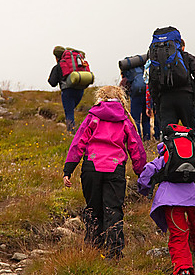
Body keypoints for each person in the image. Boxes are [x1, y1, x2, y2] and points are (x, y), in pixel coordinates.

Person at [62, 85, 147, 259]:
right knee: (113, 209)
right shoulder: (124, 119)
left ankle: (93, 246)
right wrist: (141, 173)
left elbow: (78, 143)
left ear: (100, 97)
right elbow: (136, 147)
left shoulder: (93, 116)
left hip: (91, 167)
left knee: (93, 208)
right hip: (115, 168)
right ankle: (114, 252)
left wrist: (68, 170)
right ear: (121, 98)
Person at [138, 138, 195, 275]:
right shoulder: (191, 159)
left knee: (179, 234)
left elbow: (147, 173)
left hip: (171, 202)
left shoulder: (163, 159)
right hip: (193, 200)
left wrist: (143, 189)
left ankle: (184, 272)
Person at [147, 28, 195, 130]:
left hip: (165, 99)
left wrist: (157, 101)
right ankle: (193, 146)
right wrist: (192, 93)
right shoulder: (188, 57)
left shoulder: (156, 60)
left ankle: (169, 146)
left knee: (168, 134)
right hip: (186, 97)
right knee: (190, 131)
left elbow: (151, 81)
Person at [48, 46, 87, 132]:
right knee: (71, 110)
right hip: (80, 90)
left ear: (56, 56)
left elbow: (52, 83)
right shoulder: (75, 63)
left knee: (69, 113)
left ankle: (71, 133)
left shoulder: (59, 66)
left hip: (67, 92)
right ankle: (79, 129)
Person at [120, 63, 151, 140]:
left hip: (136, 97)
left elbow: (124, 87)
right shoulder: (142, 70)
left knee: (135, 119)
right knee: (146, 119)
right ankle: (147, 138)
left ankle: (137, 138)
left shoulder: (129, 74)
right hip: (146, 95)